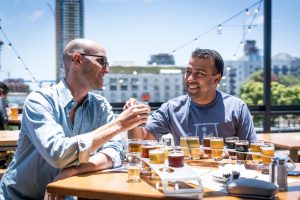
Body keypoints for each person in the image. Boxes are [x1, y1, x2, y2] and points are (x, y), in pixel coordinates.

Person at [0, 38, 150, 200]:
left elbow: (114, 152)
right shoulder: (39, 100)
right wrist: (120, 123)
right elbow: (58, 154)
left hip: (69, 195)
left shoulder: (100, 105)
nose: (107, 69)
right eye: (102, 61)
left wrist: (72, 172)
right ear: (77, 59)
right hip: (19, 196)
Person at [126, 48, 257, 145]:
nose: (190, 79)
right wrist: (133, 119)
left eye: (199, 74)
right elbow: (141, 140)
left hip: (226, 179)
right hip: (187, 179)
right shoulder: (172, 108)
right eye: (188, 72)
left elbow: (250, 152)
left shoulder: (236, 107)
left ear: (216, 79)